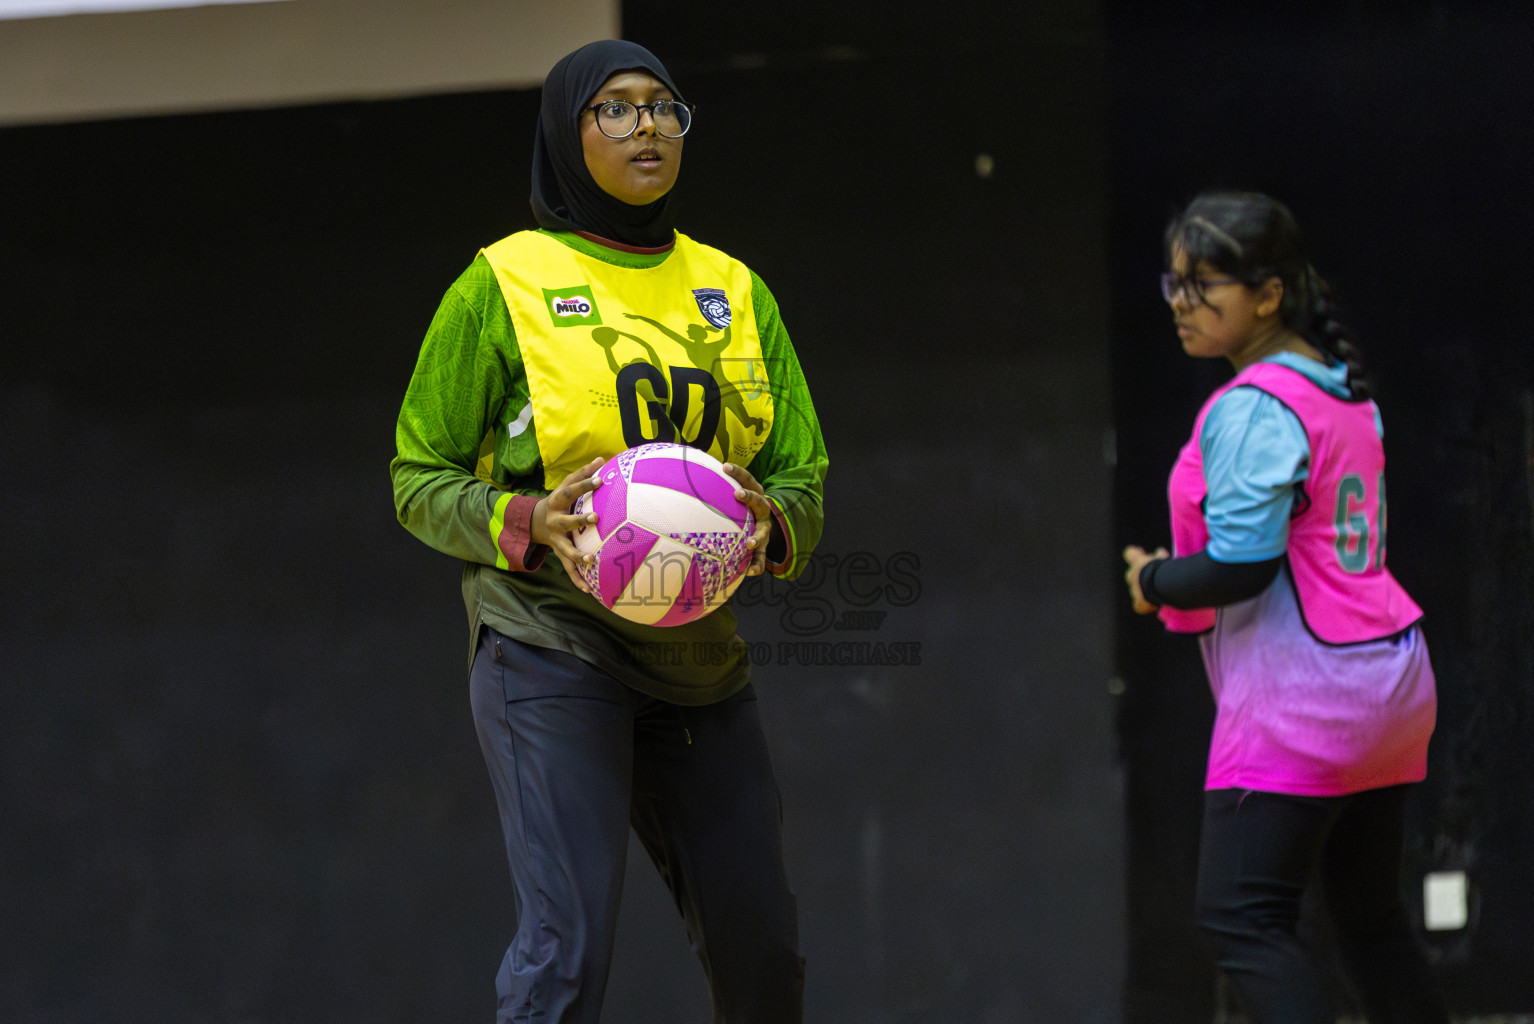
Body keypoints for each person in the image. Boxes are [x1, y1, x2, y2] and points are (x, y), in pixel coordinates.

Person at [389, 39, 826, 1024]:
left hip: (698, 658)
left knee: (764, 957)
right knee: (567, 954)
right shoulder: (502, 283)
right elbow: (418, 476)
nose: (647, 128)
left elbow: (802, 470)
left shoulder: (734, 290)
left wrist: (772, 520)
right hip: (550, 642)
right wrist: (525, 518)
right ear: (566, 132)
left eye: (664, 107)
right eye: (616, 109)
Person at [1121, 191, 1448, 1024]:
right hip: (1390, 686)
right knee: (1370, 921)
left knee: (1242, 918)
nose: (1180, 304)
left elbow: (1242, 564)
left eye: (1203, 286)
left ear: (1268, 295)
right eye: (1174, 284)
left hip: (1305, 701)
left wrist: (1155, 581)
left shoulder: (1253, 405)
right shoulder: (1342, 389)